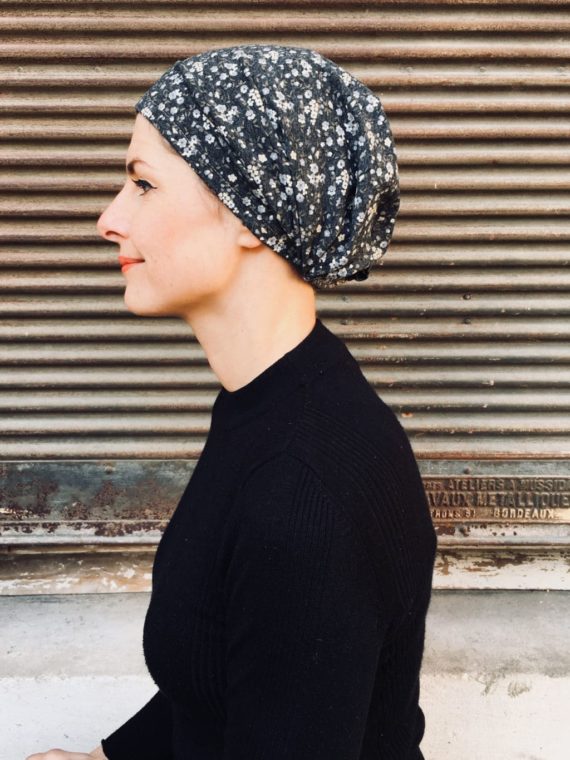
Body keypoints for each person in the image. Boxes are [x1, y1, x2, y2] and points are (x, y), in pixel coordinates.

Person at [26, 44, 436, 760]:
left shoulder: (301, 491)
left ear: (252, 214)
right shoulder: (277, 400)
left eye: (143, 184)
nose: (108, 218)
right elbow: (225, 672)